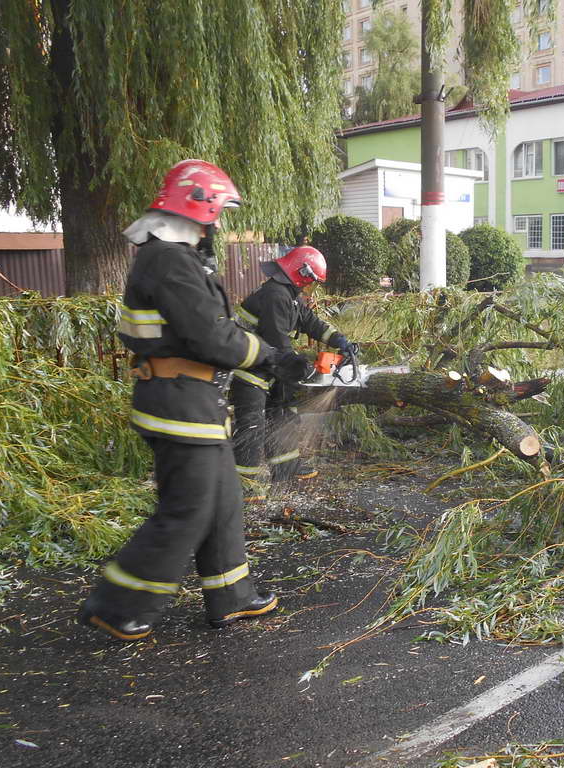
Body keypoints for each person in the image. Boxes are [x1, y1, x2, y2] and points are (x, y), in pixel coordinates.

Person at [78, 159, 312, 641]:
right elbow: (212, 338)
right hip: (178, 403)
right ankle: (117, 603)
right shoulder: (169, 260)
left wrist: (273, 358)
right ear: (199, 206)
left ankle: (232, 595)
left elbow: (209, 333)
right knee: (189, 508)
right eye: (219, 211)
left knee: (223, 501)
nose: (220, 222)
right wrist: (272, 359)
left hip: (190, 400)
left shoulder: (172, 257)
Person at [230, 246, 358, 503]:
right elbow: (277, 341)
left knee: (284, 415)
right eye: (311, 281)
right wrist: (301, 365)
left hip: (272, 368)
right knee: (252, 426)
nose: (310, 287)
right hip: (249, 370)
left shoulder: (289, 296)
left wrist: (338, 339)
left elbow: (310, 322)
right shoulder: (275, 296)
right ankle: (246, 484)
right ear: (301, 273)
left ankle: (285, 468)